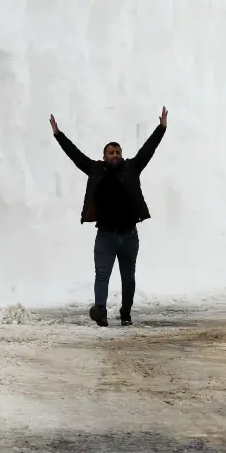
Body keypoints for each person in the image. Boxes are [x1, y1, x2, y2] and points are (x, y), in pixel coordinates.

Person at [50, 108, 168, 326]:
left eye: (117, 153)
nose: (114, 156)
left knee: (128, 278)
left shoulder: (132, 168)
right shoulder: (95, 169)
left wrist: (161, 128)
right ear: (104, 156)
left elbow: (148, 150)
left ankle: (126, 313)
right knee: (102, 275)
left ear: (121, 155)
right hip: (105, 235)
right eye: (110, 153)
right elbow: (74, 154)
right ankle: (101, 311)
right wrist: (58, 135)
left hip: (129, 235)